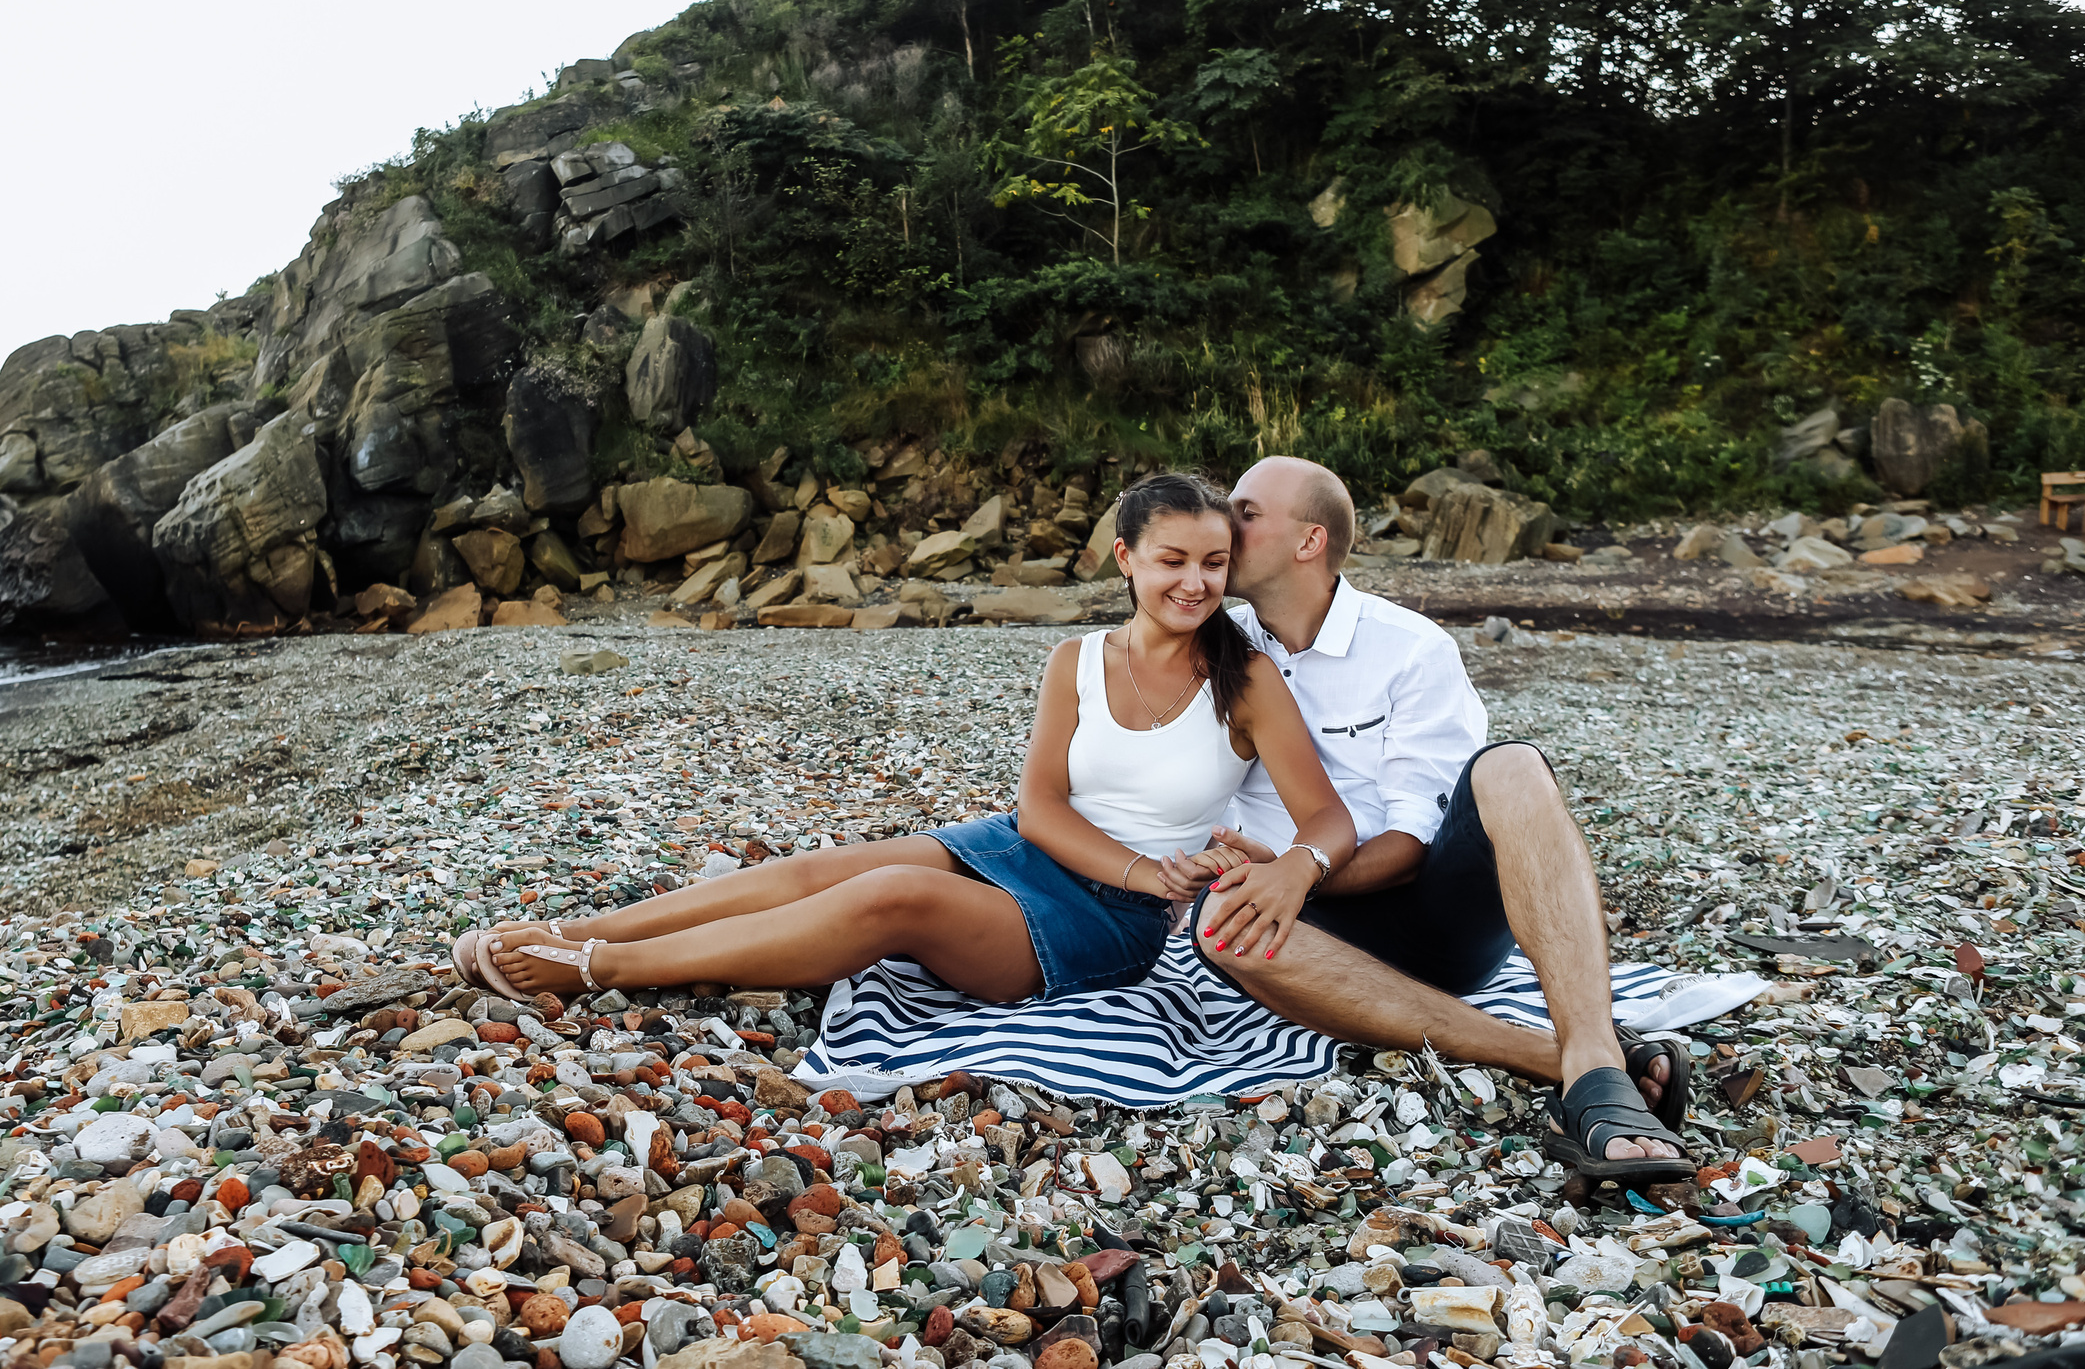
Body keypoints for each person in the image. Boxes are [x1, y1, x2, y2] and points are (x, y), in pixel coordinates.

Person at [452, 473, 1358, 1007]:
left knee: (891, 895)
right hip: (1029, 848)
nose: (1196, 583)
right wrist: (1139, 865)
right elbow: (1039, 807)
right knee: (824, 867)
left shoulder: (1247, 680)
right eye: (1173, 560)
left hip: (1106, 921)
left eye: (1212, 563)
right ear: (1125, 558)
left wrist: (1291, 867)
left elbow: (1327, 818)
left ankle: (604, 966)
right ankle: (576, 926)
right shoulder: (1076, 660)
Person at [1187, 456, 1695, 1186]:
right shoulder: (1220, 647)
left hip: (1433, 913)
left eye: (1245, 510)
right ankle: (1568, 1059)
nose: (1222, 522)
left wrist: (1298, 869)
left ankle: (1588, 1053)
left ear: (1308, 540)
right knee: (1218, 918)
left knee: (1512, 765)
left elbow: (1407, 841)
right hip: (1314, 935)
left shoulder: (1410, 646)